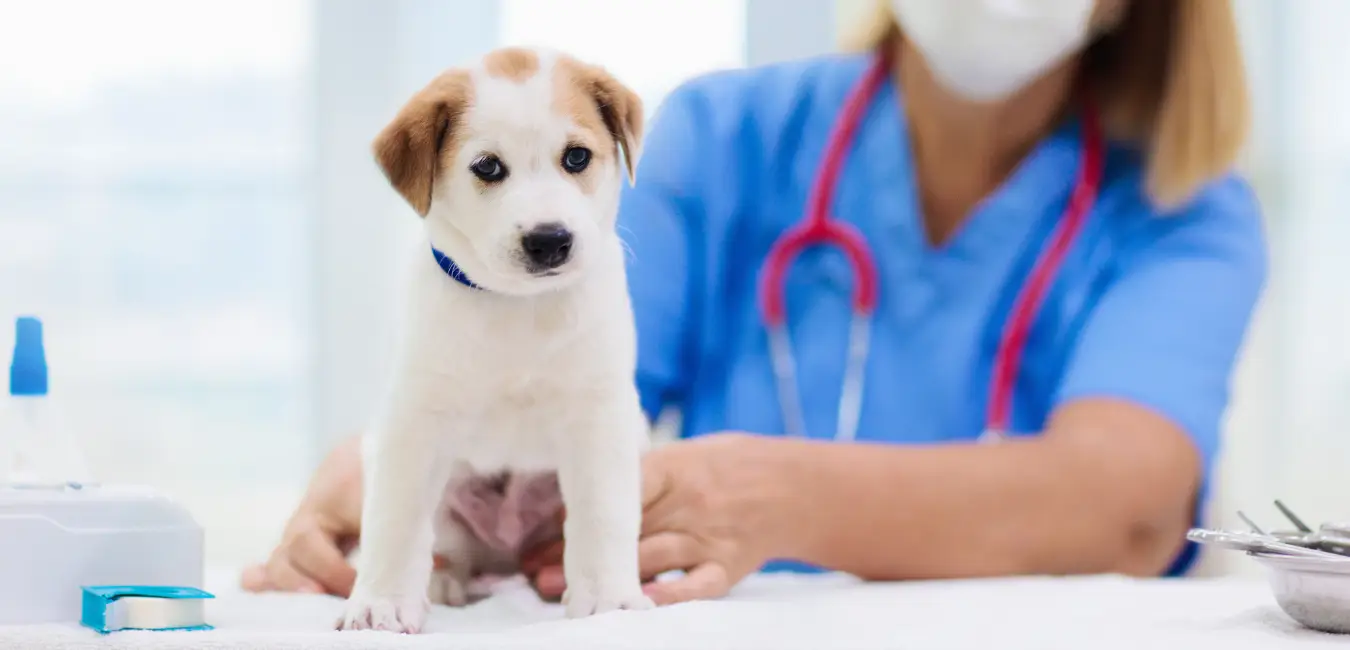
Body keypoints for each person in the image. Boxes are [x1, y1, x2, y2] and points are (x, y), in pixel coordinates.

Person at [242, 0, 1264, 605]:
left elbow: (1129, 505)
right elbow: (551, 378)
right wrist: (393, 470)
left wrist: (781, 497)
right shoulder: (729, 132)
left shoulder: (1186, 205)